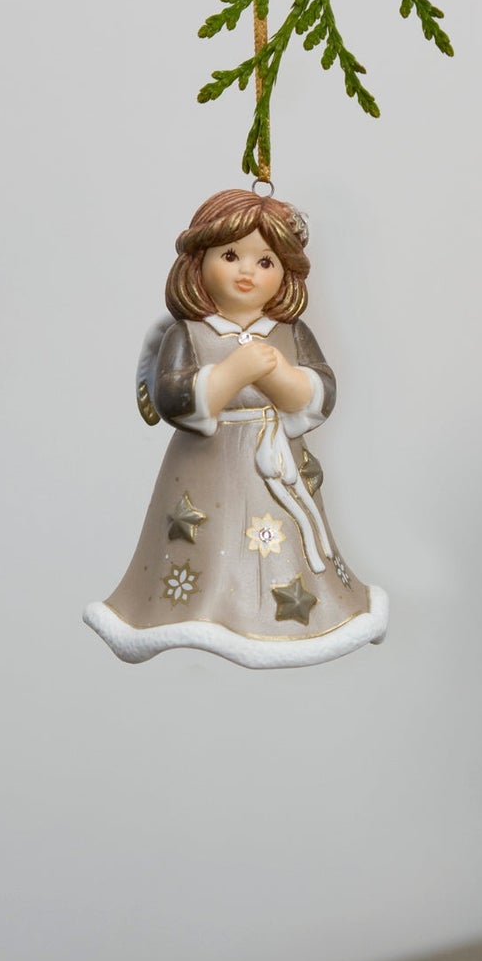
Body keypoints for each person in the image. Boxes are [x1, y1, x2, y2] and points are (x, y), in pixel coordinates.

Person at [84, 189, 388, 668]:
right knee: (210, 549)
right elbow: (172, 395)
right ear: (199, 261)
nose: (247, 272)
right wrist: (233, 372)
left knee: (285, 547)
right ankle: (201, 608)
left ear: (285, 273)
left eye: (265, 262)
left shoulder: (291, 333)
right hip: (208, 469)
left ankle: (294, 611)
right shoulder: (188, 333)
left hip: (277, 465)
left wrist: (281, 377)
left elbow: (322, 392)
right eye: (230, 256)